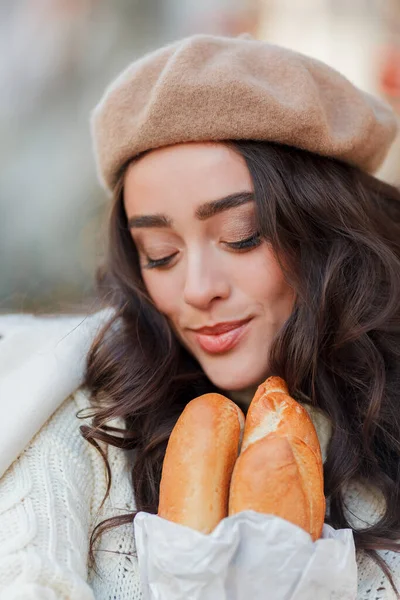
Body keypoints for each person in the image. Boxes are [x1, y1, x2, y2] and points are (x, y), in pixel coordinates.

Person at [0, 32, 400, 599]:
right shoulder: (84, 425)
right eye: (160, 254)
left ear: (329, 232)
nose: (197, 290)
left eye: (243, 237)